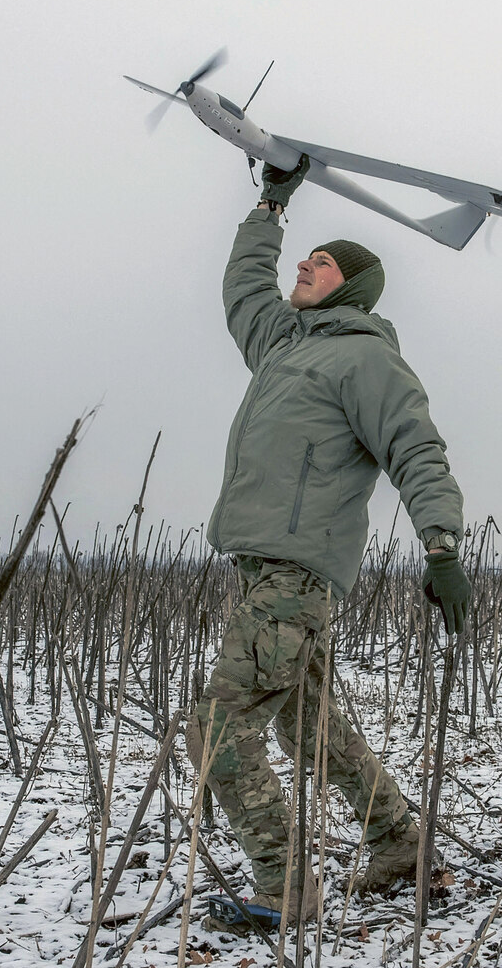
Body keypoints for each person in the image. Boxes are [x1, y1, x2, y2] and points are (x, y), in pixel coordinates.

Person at [186, 157, 471, 921]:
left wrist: (440, 542)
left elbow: (417, 447)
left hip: (294, 573)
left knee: (217, 724)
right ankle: (399, 841)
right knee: (309, 724)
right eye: (306, 258)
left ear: (351, 286)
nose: (306, 267)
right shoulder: (283, 344)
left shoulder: (367, 358)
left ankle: (284, 884)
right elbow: (245, 288)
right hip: (263, 570)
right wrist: (271, 207)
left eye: (323, 264)